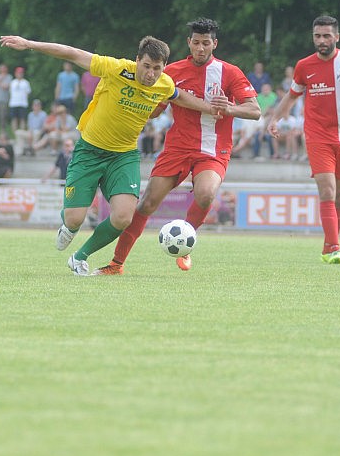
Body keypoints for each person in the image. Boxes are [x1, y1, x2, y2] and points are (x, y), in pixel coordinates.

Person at [0, 31, 219, 276]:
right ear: (137, 60)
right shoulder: (116, 69)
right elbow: (72, 53)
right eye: (146, 66)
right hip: (89, 150)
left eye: (157, 68)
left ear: (164, 67)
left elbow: (181, 98)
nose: (150, 74)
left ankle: (80, 257)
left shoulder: (164, 83)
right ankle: (68, 226)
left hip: (123, 156)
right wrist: (29, 44)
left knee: (124, 217)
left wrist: (212, 109)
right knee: (74, 220)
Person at [94, 18, 258, 275]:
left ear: (215, 44)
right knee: (147, 203)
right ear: (188, 43)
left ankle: (185, 245)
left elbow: (254, 110)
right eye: (196, 42)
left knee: (205, 194)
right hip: (177, 148)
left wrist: (230, 108)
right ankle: (116, 264)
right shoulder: (172, 72)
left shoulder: (230, 73)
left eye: (206, 43)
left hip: (213, 150)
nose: (200, 48)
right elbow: (155, 111)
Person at [267, 15, 340, 264]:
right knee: (327, 191)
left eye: (327, 36)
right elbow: (292, 96)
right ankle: (334, 248)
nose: (322, 40)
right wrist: (275, 119)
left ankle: (329, 245)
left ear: (337, 37)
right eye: (317, 36)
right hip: (317, 137)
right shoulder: (304, 66)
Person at [8, 66, 31, 133]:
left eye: (21, 73)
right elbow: (10, 92)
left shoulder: (26, 83)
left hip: (23, 103)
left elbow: (28, 93)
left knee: (22, 119)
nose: (19, 74)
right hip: (13, 103)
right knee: (14, 119)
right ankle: (15, 134)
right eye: (18, 73)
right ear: (15, 73)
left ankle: (22, 133)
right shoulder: (12, 82)